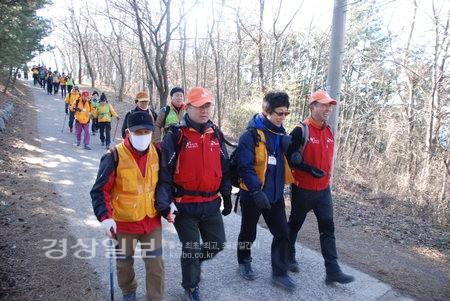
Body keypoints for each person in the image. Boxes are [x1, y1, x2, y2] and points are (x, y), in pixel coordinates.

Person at [155, 87, 232, 301]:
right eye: (199, 106)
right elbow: (165, 173)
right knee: (191, 248)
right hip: (184, 204)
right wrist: (165, 204)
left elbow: (224, 168)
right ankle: (191, 285)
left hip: (210, 203)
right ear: (188, 108)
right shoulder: (176, 135)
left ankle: (193, 264)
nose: (204, 110)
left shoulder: (215, 133)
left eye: (207, 105)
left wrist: (226, 196)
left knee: (217, 244)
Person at [91, 111, 164, 301]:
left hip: (151, 221)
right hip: (123, 223)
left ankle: (155, 298)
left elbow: (165, 184)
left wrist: (169, 203)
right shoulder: (114, 156)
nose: (142, 136)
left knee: (156, 265)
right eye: (137, 132)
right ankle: (128, 291)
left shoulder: (157, 152)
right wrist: (105, 218)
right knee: (124, 264)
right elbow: (100, 190)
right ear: (128, 133)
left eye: (146, 132)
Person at [286, 90, 355, 285]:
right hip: (303, 189)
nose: (328, 109)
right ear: (312, 106)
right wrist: (305, 167)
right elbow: (288, 159)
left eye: (330, 106)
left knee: (328, 229)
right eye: (323, 105)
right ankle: (288, 254)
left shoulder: (330, 131)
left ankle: (332, 270)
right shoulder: (301, 130)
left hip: (324, 191)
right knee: (295, 224)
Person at [235, 92, 296, 290]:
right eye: (279, 113)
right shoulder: (250, 136)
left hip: (275, 196)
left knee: (282, 233)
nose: (282, 117)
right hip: (253, 195)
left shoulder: (281, 135)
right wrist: (255, 191)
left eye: (286, 113)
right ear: (266, 111)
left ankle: (280, 273)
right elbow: (244, 167)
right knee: (248, 233)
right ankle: (244, 260)